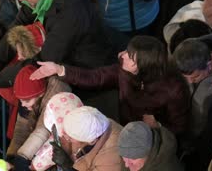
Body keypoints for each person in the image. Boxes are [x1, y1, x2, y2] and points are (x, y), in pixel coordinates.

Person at [31, 35, 190, 134]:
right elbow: (96, 77)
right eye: (127, 51)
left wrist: (158, 125)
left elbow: (180, 127)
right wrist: (59, 69)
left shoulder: (174, 89)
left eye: (130, 57)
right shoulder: (125, 70)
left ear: (143, 66)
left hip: (149, 137)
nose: (122, 56)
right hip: (124, 124)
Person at [8, 65, 71, 170]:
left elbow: (43, 129)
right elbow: (20, 130)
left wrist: (22, 157)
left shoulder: (56, 92)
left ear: (41, 94)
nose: (23, 104)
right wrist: (11, 156)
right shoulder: (27, 101)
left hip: (60, 144)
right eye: (20, 101)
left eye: (27, 101)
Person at [50, 106, 125, 170]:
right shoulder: (97, 121)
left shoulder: (111, 160)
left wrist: (67, 167)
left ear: (92, 141)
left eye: (71, 137)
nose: (64, 136)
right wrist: (67, 150)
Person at [118, 121, 183, 171]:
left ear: (148, 152)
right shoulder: (132, 162)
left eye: (133, 158)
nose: (126, 165)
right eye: (124, 157)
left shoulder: (167, 167)